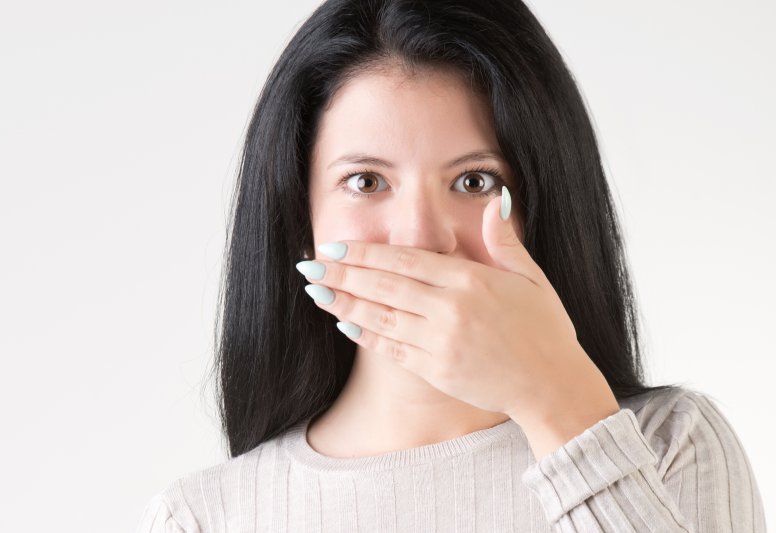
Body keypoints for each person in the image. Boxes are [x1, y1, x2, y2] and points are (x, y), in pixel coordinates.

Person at [135, 0, 766, 531]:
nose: (420, 238)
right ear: (301, 222)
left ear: (542, 205)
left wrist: (555, 400)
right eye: (365, 180)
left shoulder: (672, 444)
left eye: (473, 180)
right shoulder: (205, 517)